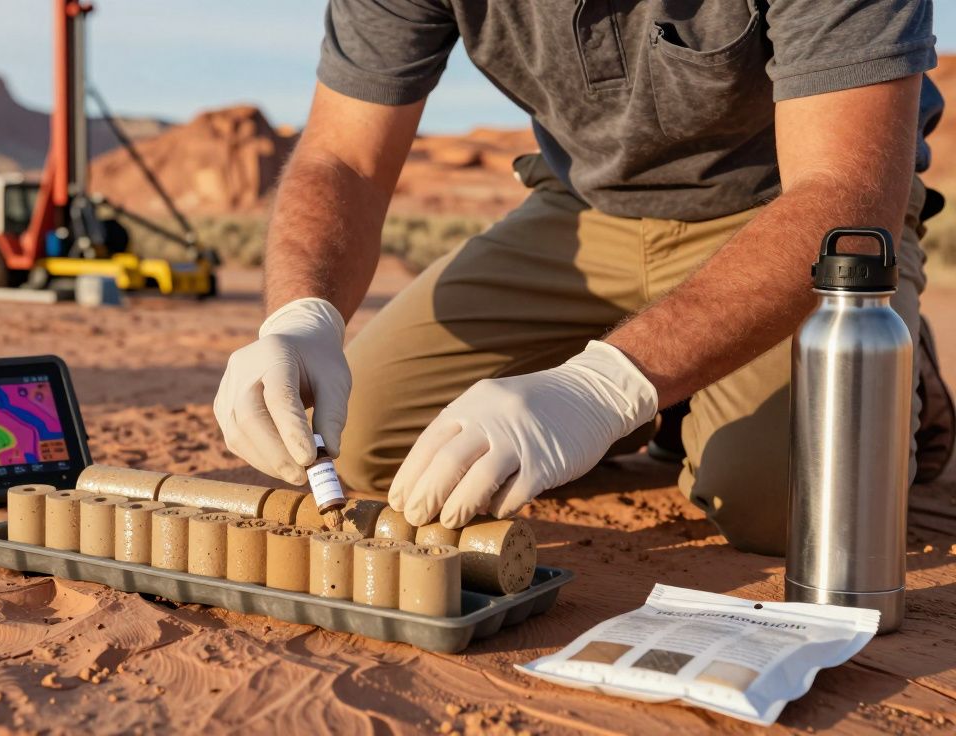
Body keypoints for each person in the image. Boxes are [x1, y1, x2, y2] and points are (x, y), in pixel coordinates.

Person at [214, 0, 954, 555]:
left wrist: (602, 390)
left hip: (787, 220)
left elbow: (842, 195)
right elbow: (342, 157)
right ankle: (673, 399)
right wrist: (299, 318)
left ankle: (892, 365)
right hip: (584, 210)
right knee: (372, 439)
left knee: (787, 507)